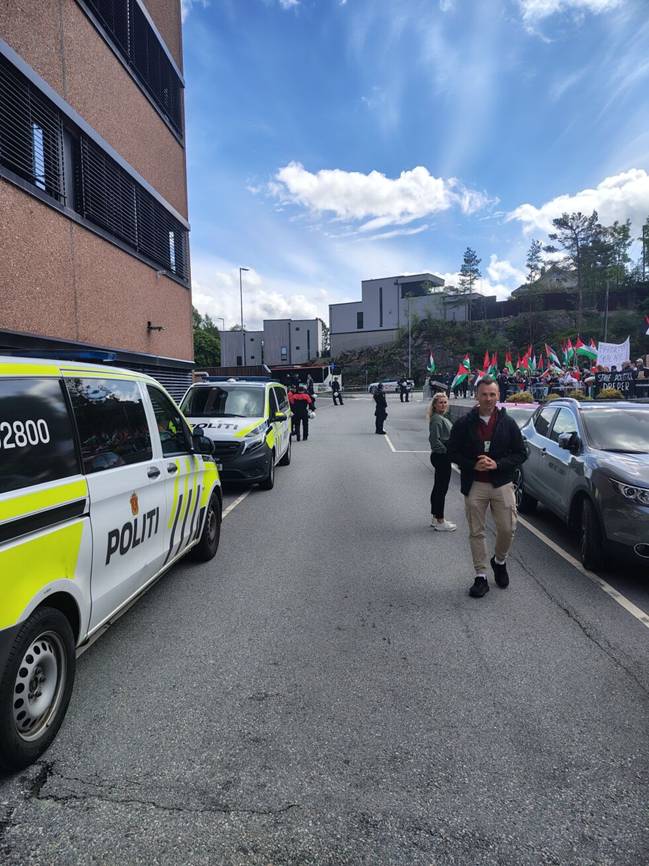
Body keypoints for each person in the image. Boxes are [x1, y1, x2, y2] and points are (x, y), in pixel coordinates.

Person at [447, 376, 527, 598]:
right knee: (477, 531)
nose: (488, 399)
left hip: (502, 483)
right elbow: (451, 452)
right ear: (476, 396)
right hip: (475, 484)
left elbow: (521, 453)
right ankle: (480, 576)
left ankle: (499, 561)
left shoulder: (508, 423)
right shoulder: (464, 424)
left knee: (508, 528)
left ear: (498, 396)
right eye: (484, 394)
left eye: (492, 394)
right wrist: (472, 464)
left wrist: (497, 464)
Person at [427, 392, 456, 531]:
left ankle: (435, 517)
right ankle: (440, 520)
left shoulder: (441, 417)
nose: (443, 405)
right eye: (440, 402)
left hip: (441, 456)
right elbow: (434, 441)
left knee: (438, 488)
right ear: (435, 405)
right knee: (441, 490)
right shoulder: (437, 419)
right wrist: (446, 452)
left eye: (445, 402)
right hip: (441, 456)